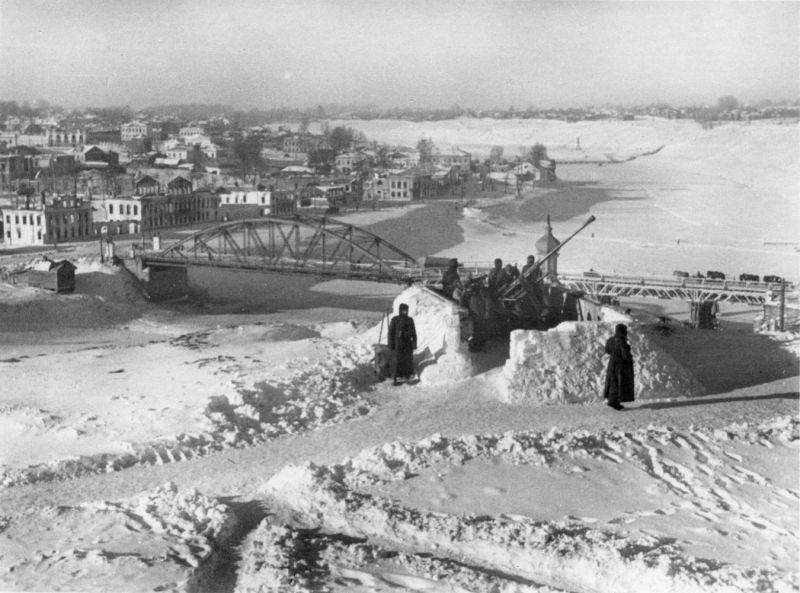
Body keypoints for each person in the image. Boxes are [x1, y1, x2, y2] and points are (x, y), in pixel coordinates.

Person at [603, 324, 635, 410]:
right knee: (619, 384)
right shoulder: (622, 341)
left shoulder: (611, 340)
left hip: (612, 364)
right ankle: (614, 402)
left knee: (613, 384)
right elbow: (626, 355)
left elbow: (607, 350)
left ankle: (613, 401)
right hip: (620, 366)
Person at [388, 303, 417, 385]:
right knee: (398, 361)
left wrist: (414, 343)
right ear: (400, 310)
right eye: (404, 310)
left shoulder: (410, 320)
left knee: (408, 361)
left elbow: (414, 333)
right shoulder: (395, 319)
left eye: (407, 310)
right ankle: (397, 378)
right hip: (398, 344)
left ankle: (408, 378)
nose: (406, 312)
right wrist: (391, 344)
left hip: (408, 344)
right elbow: (390, 333)